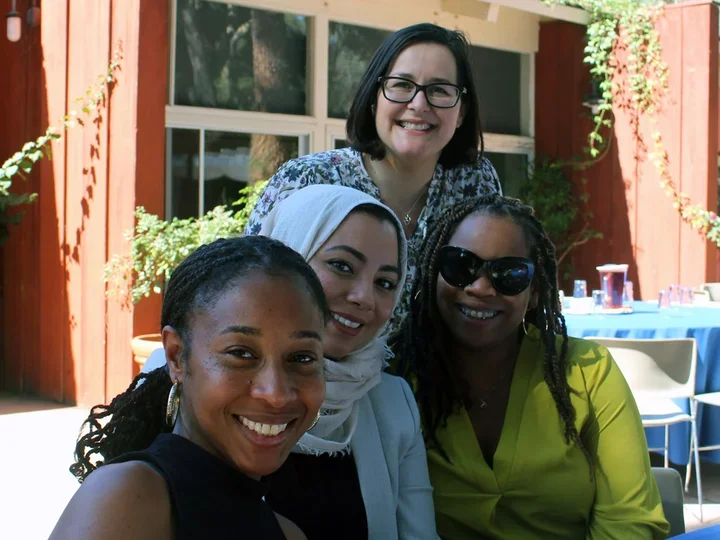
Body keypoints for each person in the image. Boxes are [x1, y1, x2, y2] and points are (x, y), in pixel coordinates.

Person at [143, 185, 437, 539]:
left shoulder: (393, 402)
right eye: (342, 266)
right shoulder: (182, 375)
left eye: (386, 282)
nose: (364, 297)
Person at [396, 194, 670, 539]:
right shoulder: (395, 376)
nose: (480, 287)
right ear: (434, 273)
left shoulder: (587, 371)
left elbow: (629, 522)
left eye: (508, 274)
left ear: (536, 293)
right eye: (460, 265)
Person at [51, 236, 330, 540]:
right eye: (240, 353)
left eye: (302, 357)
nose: (276, 394)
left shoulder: (288, 534)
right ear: (176, 356)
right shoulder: (126, 500)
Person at [244, 23, 501, 334]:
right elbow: (249, 289)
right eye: (402, 85)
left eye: (439, 90)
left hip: (439, 379)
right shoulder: (307, 180)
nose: (419, 104)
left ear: (461, 113)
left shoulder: (476, 184)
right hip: (317, 377)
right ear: (373, 98)